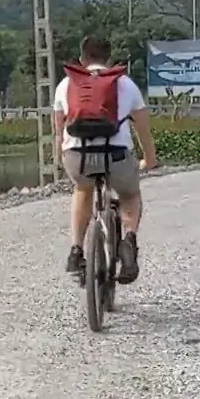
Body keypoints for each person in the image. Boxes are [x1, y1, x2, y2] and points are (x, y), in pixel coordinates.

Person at [54, 36, 157, 283]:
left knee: (82, 189)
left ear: (82, 58)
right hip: (117, 156)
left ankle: (77, 250)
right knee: (130, 195)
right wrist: (149, 159)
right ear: (108, 59)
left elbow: (58, 131)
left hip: (78, 157)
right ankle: (129, 240)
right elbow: (143, 130)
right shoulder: (125, 84)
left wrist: (60, 158)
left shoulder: (65, 85)